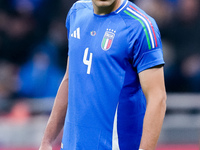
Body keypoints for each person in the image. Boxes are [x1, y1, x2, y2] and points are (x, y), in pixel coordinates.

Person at [39, 0, 167, 149]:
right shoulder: (76, 12)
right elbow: (69, 79)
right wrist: (47, 141)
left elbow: (158, 98)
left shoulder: (141, 27)